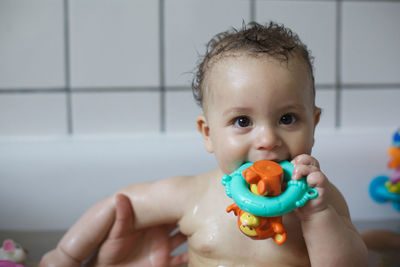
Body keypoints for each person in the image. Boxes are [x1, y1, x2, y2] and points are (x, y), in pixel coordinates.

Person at [40, 21, 368, 266]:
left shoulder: (321, 202)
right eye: (242, 121)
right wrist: (67, 255)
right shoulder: (195, 195)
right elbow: (121, 203)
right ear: (208, 133)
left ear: (314, 125)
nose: (267, 140)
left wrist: (317, 217)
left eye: (287, 119)